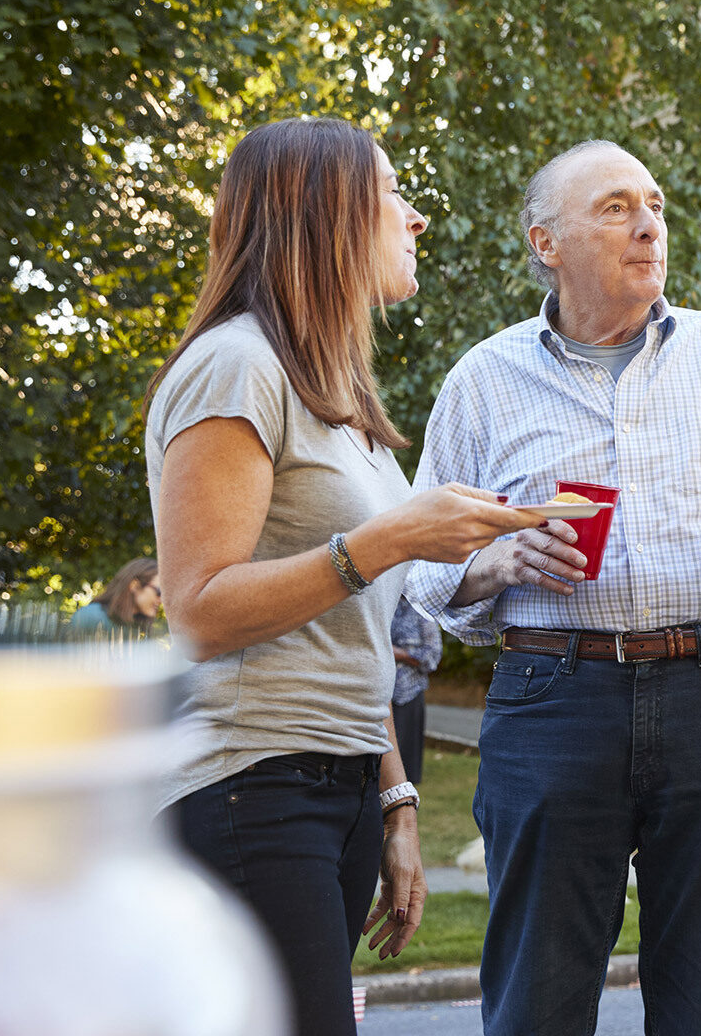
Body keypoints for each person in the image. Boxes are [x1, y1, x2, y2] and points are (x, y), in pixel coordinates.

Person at [406, 139, 701, 1036]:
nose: (649, 224)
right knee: (536, 1002)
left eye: (654, 205)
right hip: (553, 699)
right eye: (615, 207)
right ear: (546, 242)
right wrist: (498, 562)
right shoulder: (484, 381)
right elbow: (419, 567)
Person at [144, 117, 543, 1036]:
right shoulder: (235, 368)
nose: (415, 218)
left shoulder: (339, 402)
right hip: (249, 785)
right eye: (394, 193)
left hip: (339, 787)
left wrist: (396, 799)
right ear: (325, 215)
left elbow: (352, 634)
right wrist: (392, 538)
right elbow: (200, 609)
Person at [389, 594, 442, 784]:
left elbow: (432, 657)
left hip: (408, 694)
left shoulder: (423, 612)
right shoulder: (387, 605)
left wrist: (401, 654)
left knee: (405, 760)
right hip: (380, 694)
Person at [69, 556, 163, 638]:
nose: (161, 600)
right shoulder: (90, 616)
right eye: (159, 592)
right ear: (134, 585)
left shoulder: (138, 629)